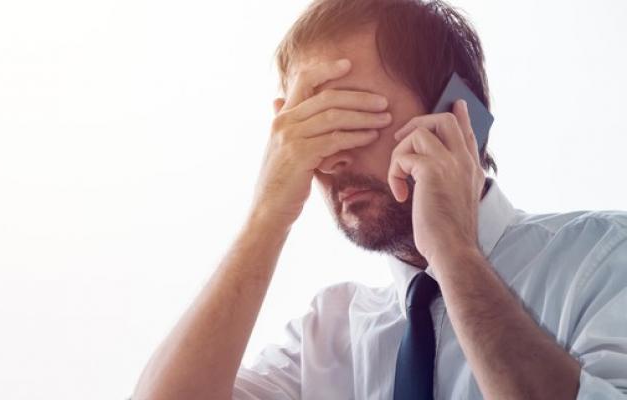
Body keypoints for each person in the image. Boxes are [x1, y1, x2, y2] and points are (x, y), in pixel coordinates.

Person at [132, 0, 627, 399]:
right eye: (309, 131)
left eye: (349, 118)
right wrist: (267, 217)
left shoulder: (606, 259)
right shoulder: (325, 339)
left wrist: (453, 252)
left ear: (460, 118)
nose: (327, 161)